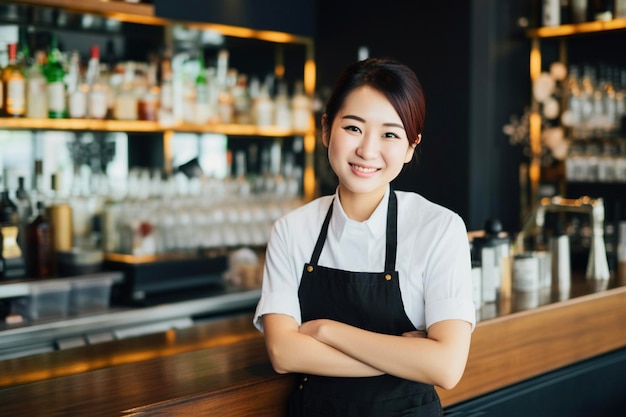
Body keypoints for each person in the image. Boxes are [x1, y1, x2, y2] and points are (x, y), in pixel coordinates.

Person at [253, 57, 475, 417]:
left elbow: (446, 367)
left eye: (390, 134)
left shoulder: (439, 229)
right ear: (327, 129)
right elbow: (283, 353)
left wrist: (326, 331)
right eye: (353, 128)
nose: (367, 151)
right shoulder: (292, 230)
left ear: (410, 147)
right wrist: (406, 358)